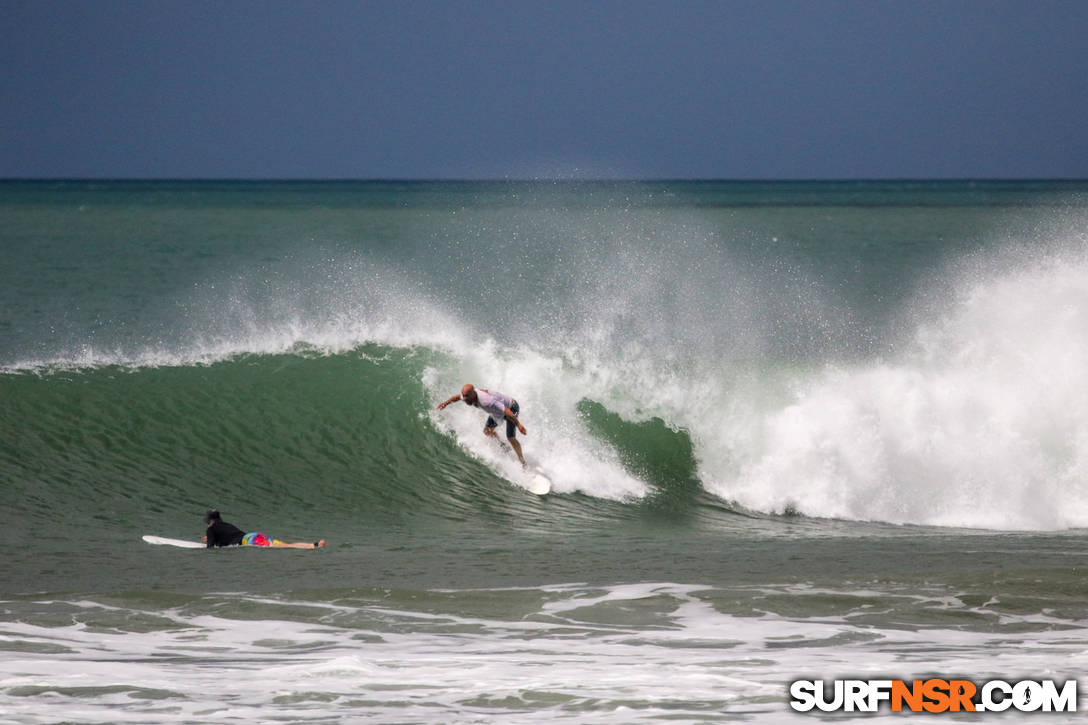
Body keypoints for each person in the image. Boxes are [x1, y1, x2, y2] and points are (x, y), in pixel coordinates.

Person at [436, 383, 528, 466]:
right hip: (497, 412)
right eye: (464, 396)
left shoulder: (486, 401)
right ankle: (504, 446)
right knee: (487, 431)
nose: (465, 398)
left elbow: (506, 410)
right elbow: (457, 397)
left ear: (473, 393)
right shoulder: (468, 397)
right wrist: (445, 404)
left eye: (467, 396)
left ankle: (523, 461)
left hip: (511, 408)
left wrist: (519, 425)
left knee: (511, 437)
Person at [202, 509, 326, 549]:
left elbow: (210, 548)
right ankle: (314, 545)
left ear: (209, 520)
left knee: (285, 546)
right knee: (286, 545)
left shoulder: (211, 529)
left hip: (249, 541)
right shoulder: (225, 525)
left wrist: (209, 541)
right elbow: (229, 536)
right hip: (253, 536)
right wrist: (212, 538)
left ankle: (314, 545)